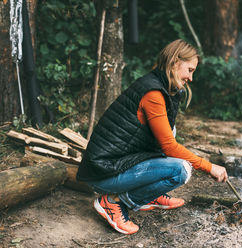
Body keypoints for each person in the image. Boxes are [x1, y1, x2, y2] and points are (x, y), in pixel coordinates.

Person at [77, 39, 228, 235]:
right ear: (175, 62)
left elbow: (164, 140)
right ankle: (113, 202)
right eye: (189, 70)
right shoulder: (154, 93)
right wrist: (209, 166)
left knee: (170, 131)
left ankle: (149, 194)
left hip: (116, 164)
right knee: (180, 170)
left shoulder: (164, 87)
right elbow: (169, 147)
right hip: (104, 172)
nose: (191, 78)